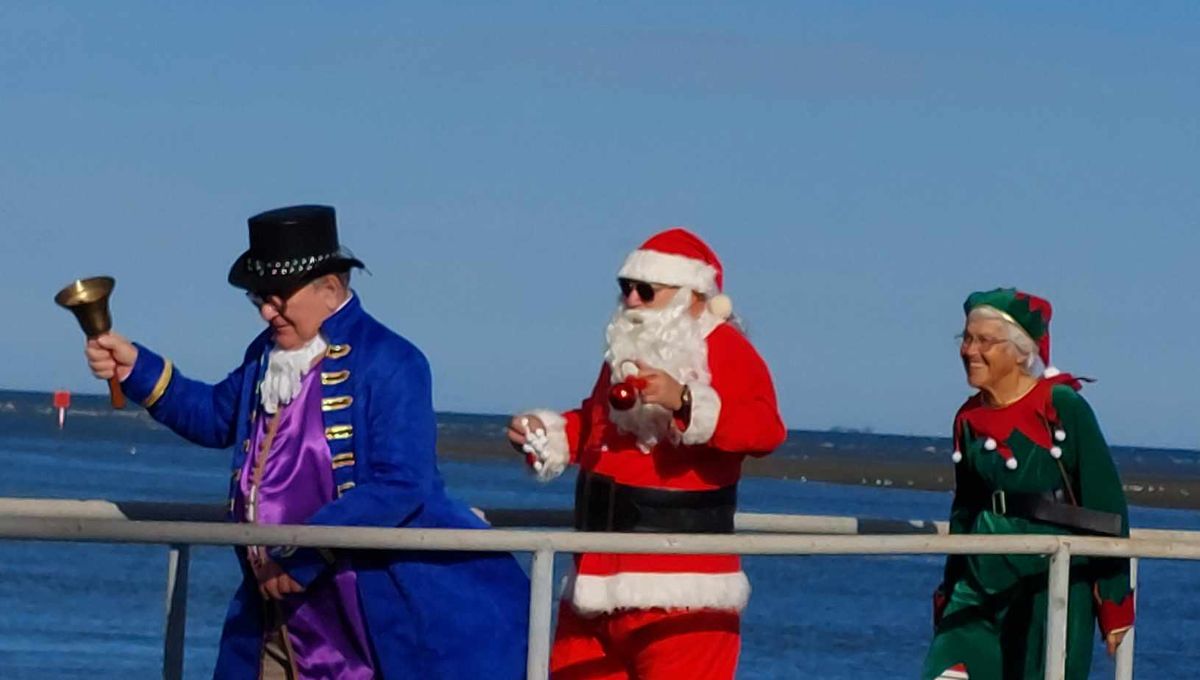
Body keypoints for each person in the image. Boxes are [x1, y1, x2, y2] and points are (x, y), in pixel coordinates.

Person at [85, 205, 529, 679]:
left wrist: (301, 554)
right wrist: (137, 369)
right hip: (272, 612)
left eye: (277, 297)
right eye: (258, 297)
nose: (265, 311)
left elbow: (403, 483)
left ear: (330, 289)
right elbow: (216, 417)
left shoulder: (393, 361)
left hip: (360, 611)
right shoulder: (264, 355)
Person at [508, 228, 787, 679]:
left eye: (646, 290)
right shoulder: (623, 353)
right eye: (625, 289)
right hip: (594, 585)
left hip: (682, 595)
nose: (631, 301)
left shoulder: (727, 349)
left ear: (692, 296)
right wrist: (547, 433)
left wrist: (685, 401)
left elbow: (765, 430)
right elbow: (595, 425)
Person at [922, 288, 1134, 680]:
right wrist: (949, 590)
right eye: (967, 338)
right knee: (947, 669)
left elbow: (1106, 502)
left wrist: (1115, 600)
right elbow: (965, 508)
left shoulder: (1062, 405)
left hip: (1052, 573)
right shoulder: (968, 418)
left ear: (1021, 351)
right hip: (982, 573)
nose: (969, 350)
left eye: (984, 341)